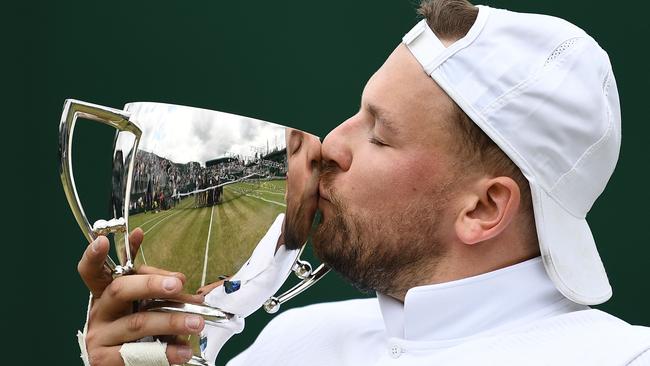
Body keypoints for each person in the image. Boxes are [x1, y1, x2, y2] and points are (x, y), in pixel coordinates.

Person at [76, 1, 650, 365]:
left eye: (380, 134)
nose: (330, 145)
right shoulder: (293, 341)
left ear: (483, 207)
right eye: (358, 112)